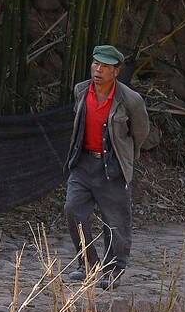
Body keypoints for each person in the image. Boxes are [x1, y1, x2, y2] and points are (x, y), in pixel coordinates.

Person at [63, 44, 150, 289]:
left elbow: (140, 132)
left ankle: (113, 270)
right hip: (82, 162)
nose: (98, 70)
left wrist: (125, 158)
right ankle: (88, 264)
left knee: (115, 220)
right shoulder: (81, 90)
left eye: (105, 66)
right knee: (73, 209)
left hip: (111, 165)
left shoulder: (130, 100)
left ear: (117, 71)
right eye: (95, 64)